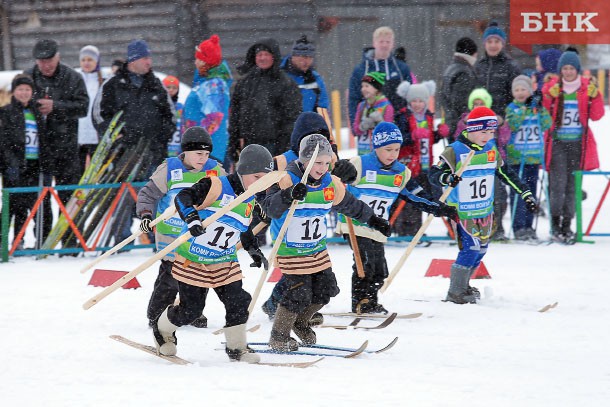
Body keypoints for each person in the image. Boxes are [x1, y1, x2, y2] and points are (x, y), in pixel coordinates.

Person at [261, 134, 391, 351]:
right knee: (298, 292)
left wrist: (373, 220)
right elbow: (270, 209)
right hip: (290, 249)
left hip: (316, 249)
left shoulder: (330, 183)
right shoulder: (286, 179)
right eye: (317, 163)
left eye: (326, 162)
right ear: (304, 160)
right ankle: (279, 336)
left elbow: (351, 205)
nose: (322, 168)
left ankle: (301, 322)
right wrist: (288, 195)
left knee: (327, 289)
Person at [151, 144, 274, 363]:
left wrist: (253, 249)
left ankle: (237, 347)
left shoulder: (250, 197)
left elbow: (242, 227)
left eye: (266, 179)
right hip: (194, 259)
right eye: (257, 177)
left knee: (239, 301)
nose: (262, 185)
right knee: (191, 310)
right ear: (243, 171)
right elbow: (182, 197)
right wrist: (192, 218)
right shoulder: (216, 184)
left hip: (224, 261)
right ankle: (162, 329)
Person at [336, 122, 457, 313]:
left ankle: (371, 300)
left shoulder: (401, 172)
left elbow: (417, 196)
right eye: (388, 149)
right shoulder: (360, 164)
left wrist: (441, 209)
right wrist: (339, 168)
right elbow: (335, 179)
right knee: (364, 262)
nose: (392, 154)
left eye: (397, 149)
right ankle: (360, 302)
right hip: (355, 224)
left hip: (378, 227)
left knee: (379, 269)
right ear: (376, 147)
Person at [429, 106, 537, 304]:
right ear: (471, 129)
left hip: (484, 210)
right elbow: (433, 175)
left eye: (491, 132)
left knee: (481, 249)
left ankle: (464, 285)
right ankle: (455, 291)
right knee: (470, 248)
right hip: (462, 211)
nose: (487, 136)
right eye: (483, 131)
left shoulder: (490, 149)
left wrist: (525, 192)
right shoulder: (455, 150)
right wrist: (447, 177)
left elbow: (505, 173)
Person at [260, 111, 358, 321]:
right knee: (296, 272)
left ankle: (292, 307)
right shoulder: (282, 160)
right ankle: (279, 306)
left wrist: (345, 172)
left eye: (321, 135)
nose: (317, 141)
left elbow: (333, 180)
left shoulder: (327, 157)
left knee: (310, 271)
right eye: (312, 135)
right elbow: (262, 185)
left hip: (310, 221)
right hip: (283, 218)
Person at [136, 127, 224, 328]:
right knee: (171, 276)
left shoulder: (215, 170)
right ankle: (157, 313)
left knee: (199, 274)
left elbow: (229, 193)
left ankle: (190, 311)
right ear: (185, 152)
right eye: (198, 154)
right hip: (172, 233)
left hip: (198, 233)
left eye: (206, 154)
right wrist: (146, 215)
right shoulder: (170, 169)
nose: (203, 158)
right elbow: (148, 195)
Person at [93, 39, 176, 242]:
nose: (149, 62)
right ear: (134, 60)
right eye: (145, 58)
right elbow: (98, 115)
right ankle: (121, 238)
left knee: (154, 194)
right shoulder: (113, 85)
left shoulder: (156, 84)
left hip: (154, 151)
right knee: (123, 195)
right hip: (124, 153)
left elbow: (171, 117)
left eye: (149, 58)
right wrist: (114, 136)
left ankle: (155, 236)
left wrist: (160, 135)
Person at [541, 50, 605, 243]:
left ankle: (567, 223)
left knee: (573, 185)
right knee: (557, 185)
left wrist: (596, 95)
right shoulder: (553, 87)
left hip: (578, 144)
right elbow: (543, 112)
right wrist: (546, 95)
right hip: (558, 143)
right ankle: (555, 222)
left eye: (571, 68)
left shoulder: (586, 88)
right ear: (561, 70)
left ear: (577, 70)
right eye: (565, 69)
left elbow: (597, 115)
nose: (568, 72)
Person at [27, 39, 89, 205]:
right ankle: (43, 231)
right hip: (37, 149)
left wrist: (56, 107)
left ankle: (72, 230)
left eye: (49, 61)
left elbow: (83, 107)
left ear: (58, 57)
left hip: (66, 147)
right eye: (42, 62)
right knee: (40, 201)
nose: (46, 65)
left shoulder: (72, 77)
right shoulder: (28, 77)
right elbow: (17, 106)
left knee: (69, 197)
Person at [453, 87, 512, 241]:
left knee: (498, 197)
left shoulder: (493, 121)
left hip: (491, 164)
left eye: (481, 103)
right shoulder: (466, 121)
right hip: (472, 166)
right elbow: (458, 139)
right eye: (475, 103)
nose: (478, 106)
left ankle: (496, 227)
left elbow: (505, 139)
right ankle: (469, 229)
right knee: (473, 200)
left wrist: (503, 124)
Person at [228, 38, 302, 160]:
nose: (262, 58)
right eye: (259, 54)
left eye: (266, 54)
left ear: (274, 57)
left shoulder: (286, 83)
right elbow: (235, 114)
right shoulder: (244, 83)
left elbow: (292, 118)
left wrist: (284, 146)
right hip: (248, 144)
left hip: (275, 145)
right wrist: (234, 141)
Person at [393, 80, 450, 236]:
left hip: (426, 163)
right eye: (414, 101)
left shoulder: (428, 117)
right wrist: (411, 136)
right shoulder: (402, 117)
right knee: (412, 197)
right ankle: (409, 230)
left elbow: (429, 138)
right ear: (408, 101)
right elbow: (398, 139)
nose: (417, 104)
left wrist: (439, 134)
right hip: (409, 164)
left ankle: (423, 228)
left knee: (428, 196)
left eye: (421, 101)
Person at [0, 74, 51, 247]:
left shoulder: (36, 113)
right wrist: (8, 164)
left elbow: (43, 139)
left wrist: (46, 164)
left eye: (27, 89)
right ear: (14, 92)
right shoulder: (6, 112)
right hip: (14, 166)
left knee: (34, 204)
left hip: (34, 164)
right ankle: (3, 242)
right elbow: (4, 141)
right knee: (12, 206)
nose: (24, 93)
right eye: (20, 89)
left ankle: (26, 240)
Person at [504, 75, 552, 240]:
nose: (520, 93)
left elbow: (547, 124)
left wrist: (541, 109)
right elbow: (513, 125)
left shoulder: (536, 108)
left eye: (523, 89)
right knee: (518, 192)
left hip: (533, 158)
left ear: (530, 91)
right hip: (517, 159)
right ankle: (518, 227)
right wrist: (524, 110)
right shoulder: (512, 108)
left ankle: (529, 226)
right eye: (516, 90)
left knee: (531, 193)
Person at [183, 35, 233, 168]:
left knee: (208, 188)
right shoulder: (205, 82)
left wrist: (196, 143)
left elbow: (214, 120)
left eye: (198, 59)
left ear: (206, 61)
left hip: (207, 154)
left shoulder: (214, 86)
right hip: (200, 152)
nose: (195, 63)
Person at [348, 26, 412, 125]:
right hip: (370, 124)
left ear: (393, 44)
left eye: (388, 42)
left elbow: (410, 97)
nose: (384, 45)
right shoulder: (361, 69)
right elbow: (354, 98)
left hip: (398, 123)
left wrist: (409, 124)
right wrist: (355, 125)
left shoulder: (401, 68)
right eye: (381, 42)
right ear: (374, 43)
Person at [474, 22, 521, 116]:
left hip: (502, 119)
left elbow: (517, 95)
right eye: (489, 42)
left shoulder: (511, 66)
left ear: (502, 44)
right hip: (480, 118)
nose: (493, 45)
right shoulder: (478, 66)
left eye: (497, 41)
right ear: (484, 44)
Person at [441, 37, 478, 140]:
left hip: (450, 123)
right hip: (460, 127)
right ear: (473, 53)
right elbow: (460, 103)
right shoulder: (464, 72)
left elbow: (444, 98)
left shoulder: (451, 68)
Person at [280, 35, 329, 112]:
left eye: (310, 57)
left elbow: (323, 108)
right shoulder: (278, 74)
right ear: (293, 56)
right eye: (303, 57)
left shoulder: (315, 79)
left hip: (307, 123)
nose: (306, 61)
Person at [352, 72, 394, 155]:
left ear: (376, 89)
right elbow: (355, 129)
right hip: (363, 153)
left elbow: (389, 133)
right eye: (362, 86)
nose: (363, 89)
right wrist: (362, 126)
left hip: (380, 154)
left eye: (367, 86)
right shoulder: (362, 106)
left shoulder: (387, 106)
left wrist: (380, 122)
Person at [77, 45, 103, 174]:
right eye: (83, 60)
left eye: (90, 60)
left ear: (96, 61)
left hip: (96, 135)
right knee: (78, 172)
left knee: (96, 173)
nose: (86, 63)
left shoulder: (102, 82)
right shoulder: (75, 79)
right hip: (78, 135)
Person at [162, 75, 184, 158]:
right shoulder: (159, 105)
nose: (171, 90)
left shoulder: (181, 108)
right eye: (168, 87)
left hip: (177, 148)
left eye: (174, 88)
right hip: (163, 147)